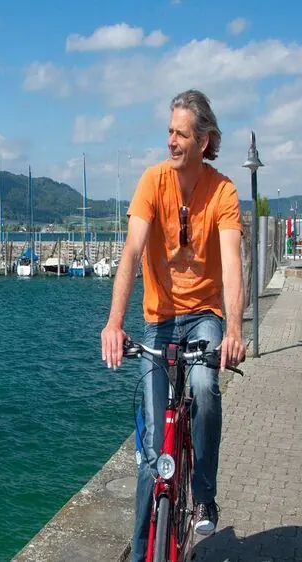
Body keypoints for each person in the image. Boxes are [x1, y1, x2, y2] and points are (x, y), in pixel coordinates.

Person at [100, 89, 246, 561]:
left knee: (204, 385)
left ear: (204, 141)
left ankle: (204, 491)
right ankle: (145, 551)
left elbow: (233, 265)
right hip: (159, 322)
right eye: (169, 132)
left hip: (205, 316)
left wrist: (237, 331)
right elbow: (131, 252)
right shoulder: (152, 182)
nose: (172, 141)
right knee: (149, 460)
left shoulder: (222, 191)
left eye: (181, 134)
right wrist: (114, 322)